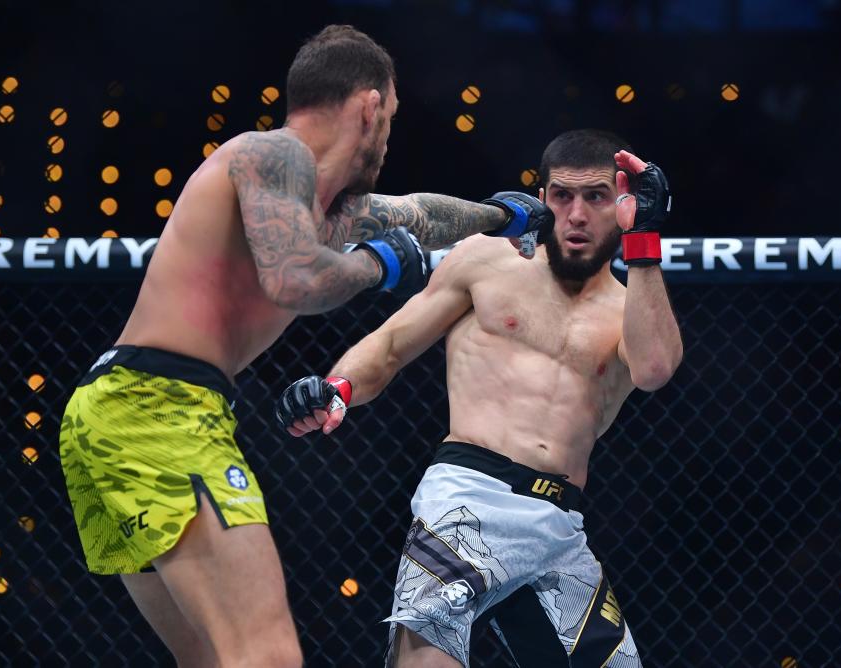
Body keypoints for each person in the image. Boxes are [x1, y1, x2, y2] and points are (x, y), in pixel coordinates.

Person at [58, 24, 552, 668]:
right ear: (370, 106)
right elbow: (295, 278)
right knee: (266, 656)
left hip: (115, 414)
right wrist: (383, 265)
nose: (388, 137)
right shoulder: (274, 155)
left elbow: (419, 215)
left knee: (211, 659)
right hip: (158, 408)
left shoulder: (318, 203)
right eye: (392, 118)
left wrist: (500, 216)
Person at [277, 129, 682, 667]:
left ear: (622, 204)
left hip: (559, 525)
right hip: (468, 497)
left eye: (596, 197)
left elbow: (654, 369)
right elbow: (393, 344)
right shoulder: (485, 261)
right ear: (542, 198)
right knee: (427, 654)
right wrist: (338, 388)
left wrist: (645, 240)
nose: (578, 214)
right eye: (562, 195)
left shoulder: (630, 308)